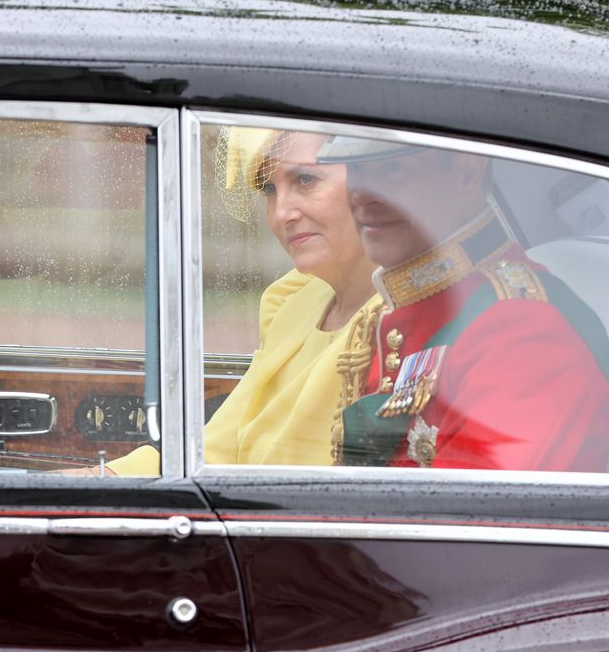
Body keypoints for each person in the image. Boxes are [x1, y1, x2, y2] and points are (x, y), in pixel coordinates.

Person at [79, 127, 382, 476]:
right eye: (270, 190)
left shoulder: (403, 315)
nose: (282, 213)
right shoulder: (296, 301)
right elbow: (219, 447)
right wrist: (98, 479)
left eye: (305, 180)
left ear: (371, 183)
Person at [316, 137, 609, 470]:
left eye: (392, 168)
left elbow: (467, 516)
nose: (360, 194)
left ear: (467, 171)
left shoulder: (523, 336)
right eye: (356, 169)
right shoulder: (412, 306)